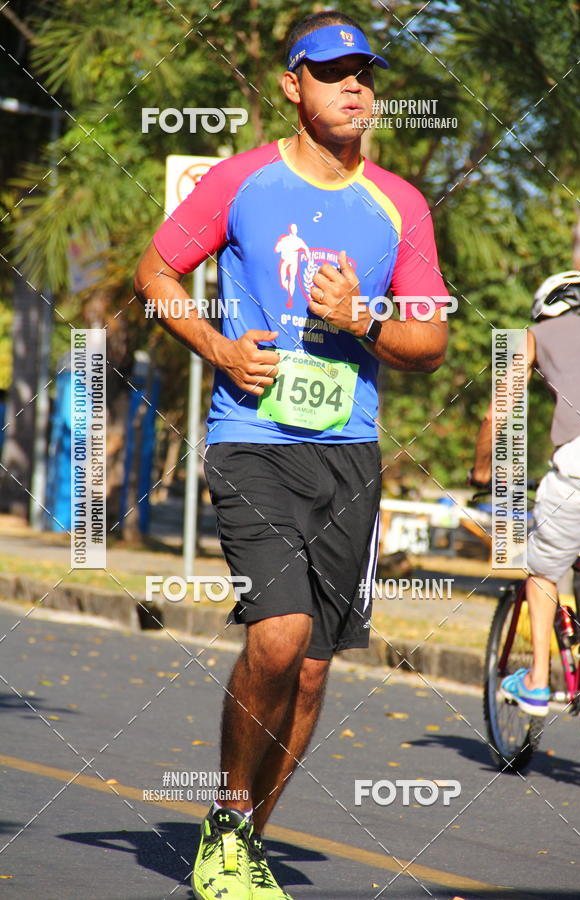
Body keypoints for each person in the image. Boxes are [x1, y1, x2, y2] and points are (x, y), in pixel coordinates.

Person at [135, 10, 449, 899]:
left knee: (311, 673)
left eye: (365, 74)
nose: (355, 87)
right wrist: (219, 349)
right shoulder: (240, 182)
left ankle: (241, 840)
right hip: (253, 440)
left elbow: (431, 342)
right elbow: (154, 274)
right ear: (291, 86)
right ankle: (229, 828)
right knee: (279, 637)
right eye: (332, 72)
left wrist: (362, 319)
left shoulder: (401, 205)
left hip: (350, 453)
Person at [471, 270, 580, 716]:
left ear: (546, 308)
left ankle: (538, 683)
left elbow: (497, 413)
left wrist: (482, 470)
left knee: (542, 569)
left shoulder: (533, 335)